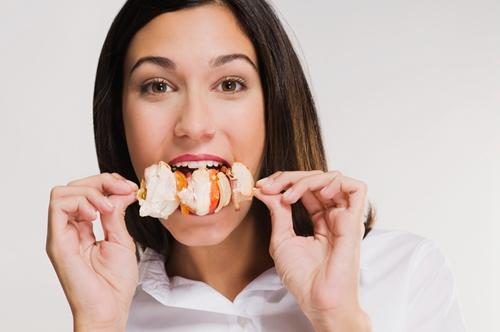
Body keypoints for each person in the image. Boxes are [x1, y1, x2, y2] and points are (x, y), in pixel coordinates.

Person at [46, 0, 467, 331]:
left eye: (229, 84)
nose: (194, 125)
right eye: (158, 86)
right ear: (119, 120)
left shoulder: (404, 273)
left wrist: (338, 317)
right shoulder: (109, 310)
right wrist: (99, 326)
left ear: (275, 107)